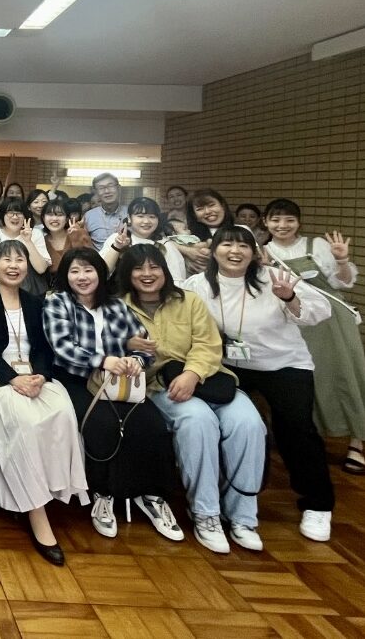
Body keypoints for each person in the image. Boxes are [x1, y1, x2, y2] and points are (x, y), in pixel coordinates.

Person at [184, 226, 337, 542]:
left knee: (296, 429)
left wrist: (290, 298)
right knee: (225, 425)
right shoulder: (198, 284)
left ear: (255, 253)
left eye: (243, 246)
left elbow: (322, 311)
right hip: (226, 366)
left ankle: (318, 503)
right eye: (227, 244)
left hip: (282, 364)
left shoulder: (275, 277)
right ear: (214, 250)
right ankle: (221, 496)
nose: (234, 251)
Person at [116, 245, 267, 554]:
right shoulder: (118, 308)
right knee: (198, 422)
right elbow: (112, 351)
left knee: (249, 423)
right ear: (127, 274)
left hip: (209, 379)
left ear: (164, 270)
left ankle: (242, 517)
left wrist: (192, 373)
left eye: (154, 267)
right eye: (138, 268)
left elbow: (208, 344)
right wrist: (127, 345)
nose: (147, 274)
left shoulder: (189, 301)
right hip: (161, 386)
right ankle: (205, 513)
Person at [42, 247, 180, 541]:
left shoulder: (116, 306)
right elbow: (62, 347)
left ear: (100, 273)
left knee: (152, 425)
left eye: (88, 270)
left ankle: (151, 495)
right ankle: (102, 495)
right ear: (66, 276)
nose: (82, 277)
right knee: (101, 425)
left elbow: (144, 346)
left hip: (119, 381)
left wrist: (135, 361)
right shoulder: (57, 302)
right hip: (76, 379)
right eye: (75, 271)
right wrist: (103, 360)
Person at [0, 240, 89, 563]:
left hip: (33, 376)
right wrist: (12, 378)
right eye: (6, 260)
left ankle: (48, 489)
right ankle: (37, 512)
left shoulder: (35, 301)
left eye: (19, 260)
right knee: (25, 423)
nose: (13, 266)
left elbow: (44, 348)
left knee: (62, 414)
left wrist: (42, 376)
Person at [263, 198, 365, 473]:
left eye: (289, 219)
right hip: (290, 321)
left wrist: (342, 260)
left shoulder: (317, 245)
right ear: (265, 222)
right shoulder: (262, 251)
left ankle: (357, 442)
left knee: (345, 374)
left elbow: (344, 282)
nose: (282, 225)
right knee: (307, 380)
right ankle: (311, 436)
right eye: (275, 219)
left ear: (299, 222)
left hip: (331, 320)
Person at [100, 197, 187, 284]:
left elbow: (177, 281)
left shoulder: (166, 246)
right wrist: (117, 247)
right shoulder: (116, 239)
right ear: (129, 218)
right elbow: (101, 273)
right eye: (140, 216)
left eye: (152, 217)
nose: (146, 221)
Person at [0, 198, 47, 292]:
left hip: (31, 292)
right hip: (3, 291)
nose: (15, 217)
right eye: (10, 213)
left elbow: (41, 269)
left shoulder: (36, 234)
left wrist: (28, 241)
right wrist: (1, 293)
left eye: (19, 213)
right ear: (2, 215)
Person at [178, 188, 234, 273]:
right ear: (194, 215)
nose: (207, 211)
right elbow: (162, 243)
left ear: (222, 206)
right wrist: (187, 251)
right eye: (200, 209)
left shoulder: (241, 231)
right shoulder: (188, 234)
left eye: (211, 205)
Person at [35, 200, 91, 285]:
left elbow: (90, 262)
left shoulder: (79, 233)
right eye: (50, 214)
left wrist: (75, 239)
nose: (54, 219)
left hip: (81, 284)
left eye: (60, 215)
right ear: (43, 218)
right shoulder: (41, 241)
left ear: (67, 219)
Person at [83, 173, 128, 250]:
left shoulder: (130, 213)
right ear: (96, 192)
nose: (107, 191)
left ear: (118, 188)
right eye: (101, 188)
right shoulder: (89, 216)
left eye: (110, 186)